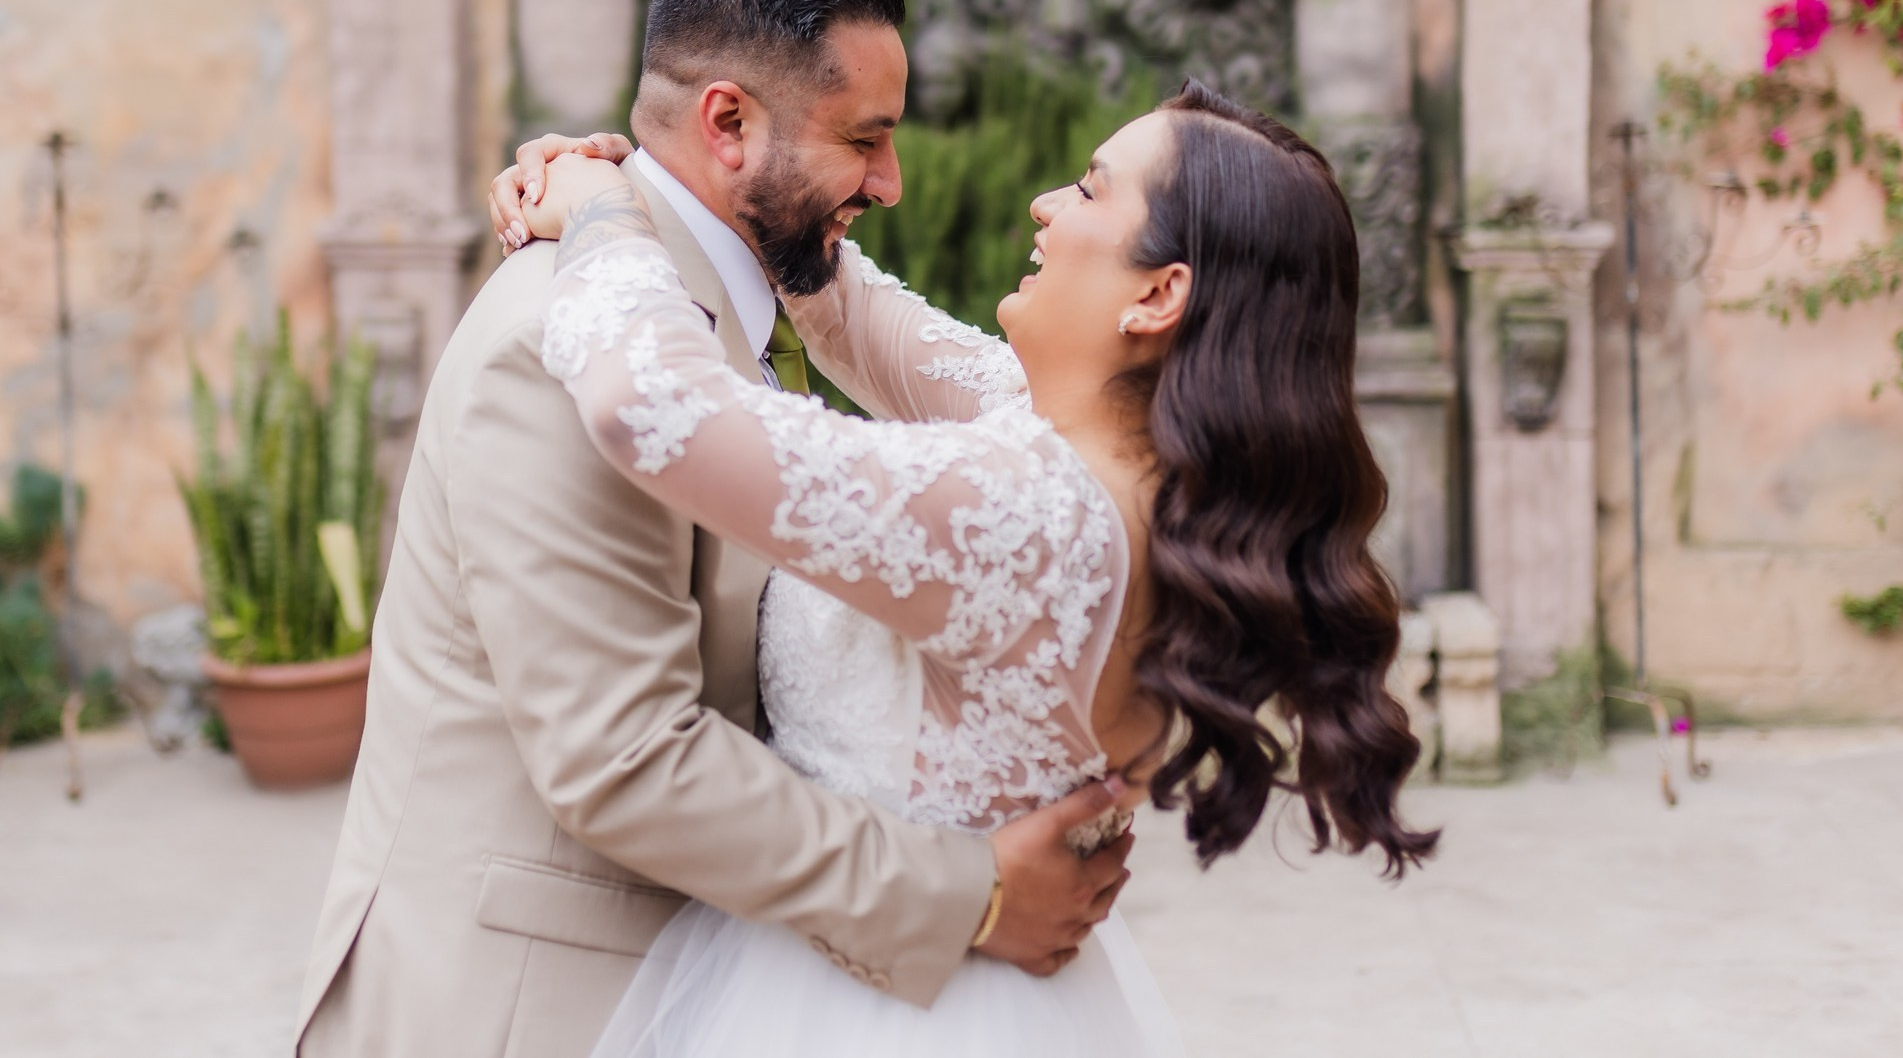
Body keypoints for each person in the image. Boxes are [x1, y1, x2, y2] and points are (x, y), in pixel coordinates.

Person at [290, 0, 1132, 1058]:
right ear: (728, 124)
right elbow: (622, 754)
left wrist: (603, 199)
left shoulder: (717, 298)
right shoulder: (557, 345)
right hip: (530, 1005)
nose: (888, 182)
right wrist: (965, 892)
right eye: (864, 140)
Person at [494, 76, 1439, 1057]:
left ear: (1159, 295)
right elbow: (841, 308)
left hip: (870, 1011)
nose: (1045, 203)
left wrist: (602, 215)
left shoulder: (1029, 512)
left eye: (1087, 189)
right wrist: (669, 185)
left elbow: (648, 407)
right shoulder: (1130, 474)